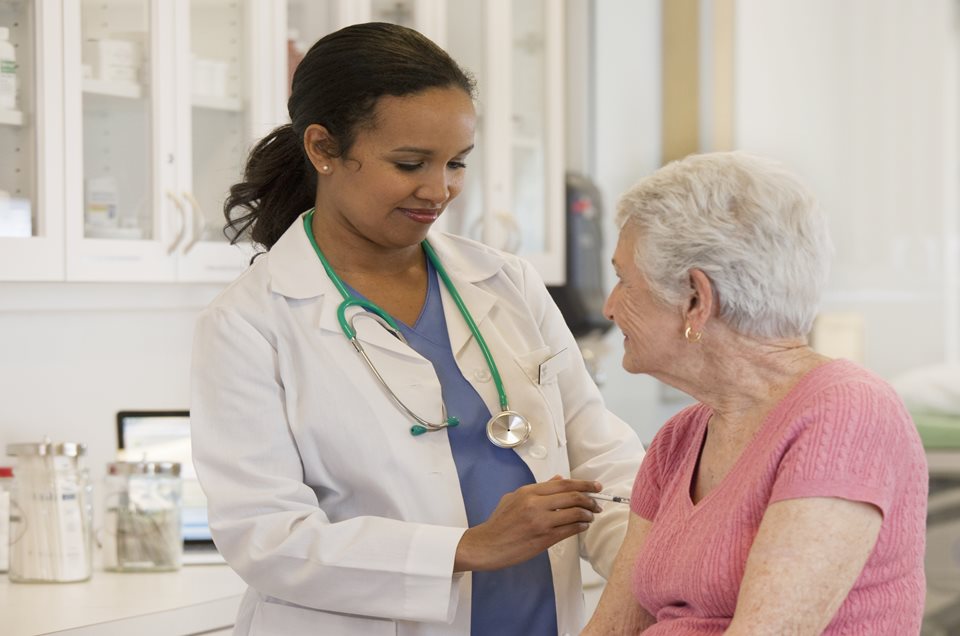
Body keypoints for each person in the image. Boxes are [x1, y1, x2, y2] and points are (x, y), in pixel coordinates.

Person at [190, 22, 644, 636]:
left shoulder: (503, 281)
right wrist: (467, 548)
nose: (439, 191)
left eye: (456, 163)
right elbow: (267, 539)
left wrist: (653, 574)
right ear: (323, 148)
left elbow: (601, 457)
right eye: (410, 164)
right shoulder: (250, 323)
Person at [583, 151, 927, 635]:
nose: (610, 307)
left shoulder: (848, 412)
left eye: (623, 280)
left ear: (696, 300)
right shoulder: (678, 440)